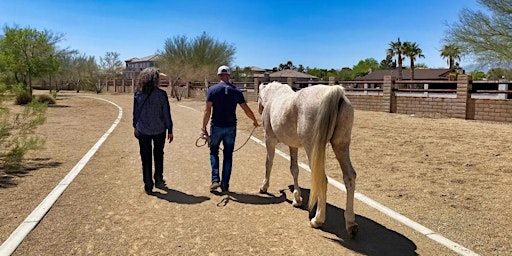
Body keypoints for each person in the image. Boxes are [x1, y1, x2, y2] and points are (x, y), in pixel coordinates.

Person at [201, 65, 259, 193]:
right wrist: (254, 120)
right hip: (231, 127)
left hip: (216, 126)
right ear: (229, 76)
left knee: (213, 152)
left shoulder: (212, 90)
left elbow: (207, 110)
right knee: (228, 156)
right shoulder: (236, 91)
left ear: (219, 76)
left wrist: (203, 127)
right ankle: (225, 184)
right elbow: (246, 109)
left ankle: (215, 179)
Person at [133, 67, 174, 195]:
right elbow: (166, 113)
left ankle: (148, 184)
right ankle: (159, 179)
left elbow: (136, 113)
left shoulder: (138, 93)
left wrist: (135, 126)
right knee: (158, 154)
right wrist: (170, 129)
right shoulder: (161, 94)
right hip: (159, 129)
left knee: (145, 157)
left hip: (143, 130)